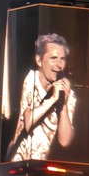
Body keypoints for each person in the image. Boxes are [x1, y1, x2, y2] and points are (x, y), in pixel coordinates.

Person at [8, 33, 77, 162]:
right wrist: (52, 99)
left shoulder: (68, 93)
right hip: (18, 162)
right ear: (39, 60)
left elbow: (65, 141)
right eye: (53, 58)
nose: (59, 64)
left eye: (62, 59)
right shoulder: (30, 79)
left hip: (43, 165)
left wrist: (63, 106)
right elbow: (28, 122)